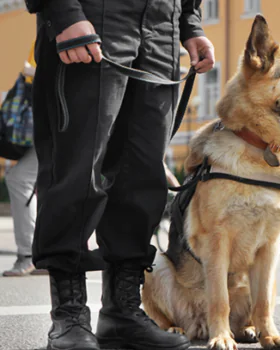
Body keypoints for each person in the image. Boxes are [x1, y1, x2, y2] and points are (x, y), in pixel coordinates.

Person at [24, 0, 214, 349]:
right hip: (93, 16)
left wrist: (190, 22)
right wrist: (64, 12)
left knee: (142, 174)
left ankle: (121, 312)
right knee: (77, 172)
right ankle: (69, 316)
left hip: (162, 25)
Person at [2, 42, 46, 277]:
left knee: (19, 179)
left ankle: (30, 255)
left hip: (61, 124)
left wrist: (31, 72)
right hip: (52, 123)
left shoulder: (63, 24)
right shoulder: (47, 28)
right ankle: (46, 255)